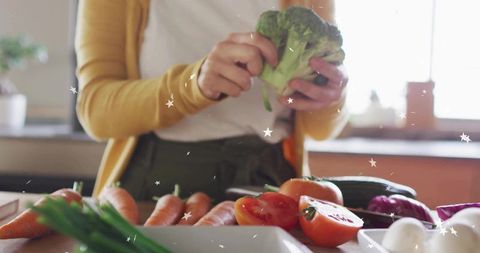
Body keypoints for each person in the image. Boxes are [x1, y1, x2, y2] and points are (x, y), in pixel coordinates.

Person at [75, 0, 348, 201]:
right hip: (154, 185)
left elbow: (320, 130)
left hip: (270, 181)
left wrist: (331, 96)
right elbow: (95, 110)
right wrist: (191, 86)